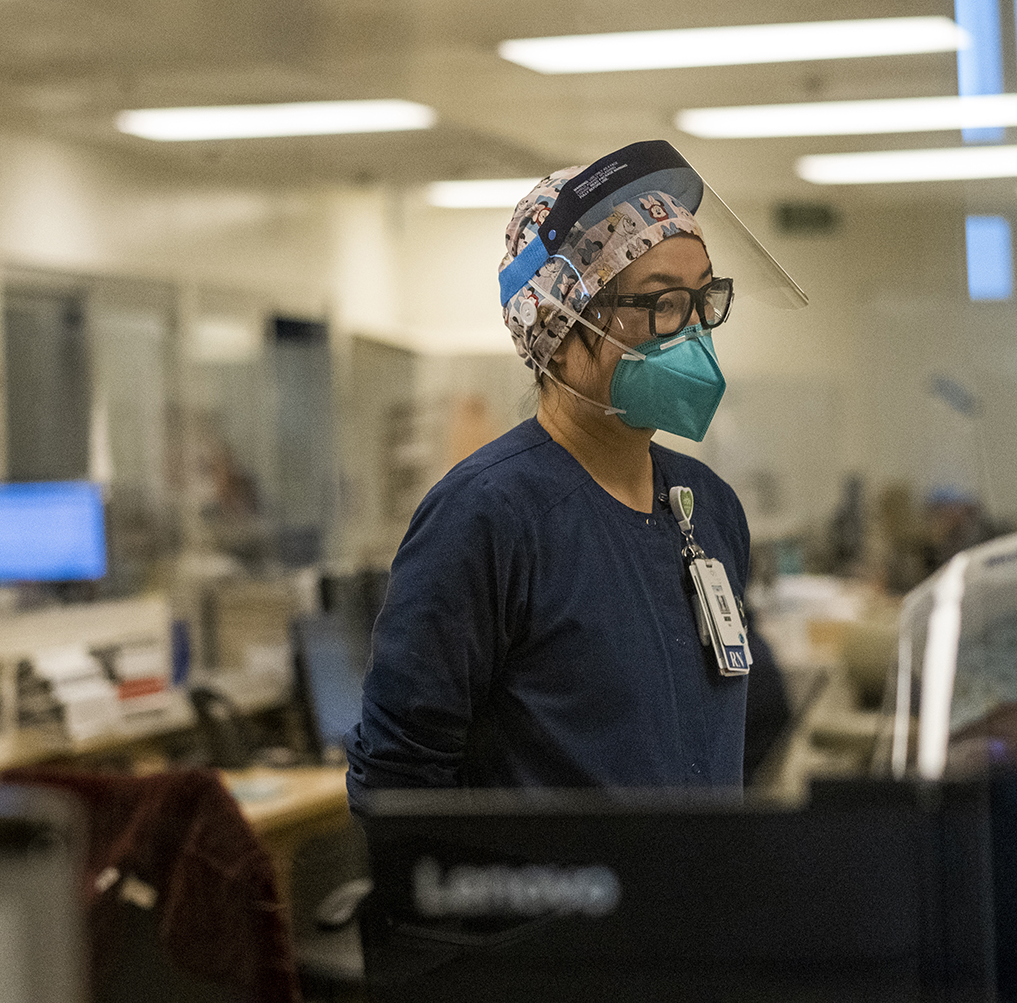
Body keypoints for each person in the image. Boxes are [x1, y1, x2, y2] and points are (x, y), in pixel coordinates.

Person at [345, 140, 807, 812]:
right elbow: (399, 777)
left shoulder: (707, 508)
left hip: (696, 903)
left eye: (705, 300)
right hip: (551, 911)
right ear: (562, 321)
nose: (696, 331)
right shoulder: (488, 517)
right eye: (663, 303)